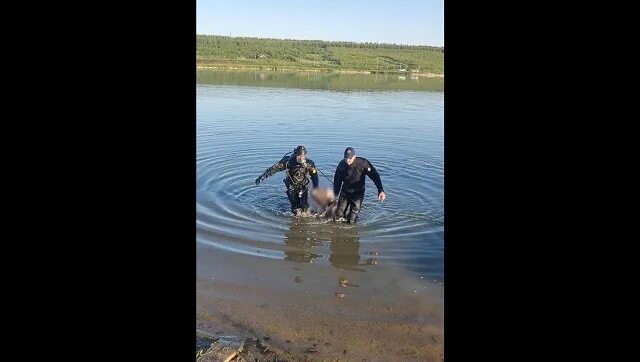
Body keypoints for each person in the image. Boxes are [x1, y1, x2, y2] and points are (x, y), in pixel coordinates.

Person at [255, 145, 319, 215]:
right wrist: (262, 177)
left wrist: (316, 188)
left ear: (305, 155)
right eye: (299, 156)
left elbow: (314, 176)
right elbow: (273, 169)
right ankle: (297, 218)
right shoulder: (288, 162)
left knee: (304, 207)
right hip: (292, 187)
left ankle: (304, 218)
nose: (301, 158)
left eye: (303, 156)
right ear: (295, 154)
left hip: (303, 186)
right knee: (295, 209)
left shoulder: (309, 163)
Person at [333, 147, 386, 223]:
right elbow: (337, 181)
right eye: (346, 158)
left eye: (350, 158)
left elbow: (375, 176)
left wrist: (380, 190)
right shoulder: (341, 165)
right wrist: (335, 194)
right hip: (345, 192)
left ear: (354, 156)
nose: (347, 161)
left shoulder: (363, 163)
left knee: (352, 219)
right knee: (338, 215)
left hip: (358, 193)